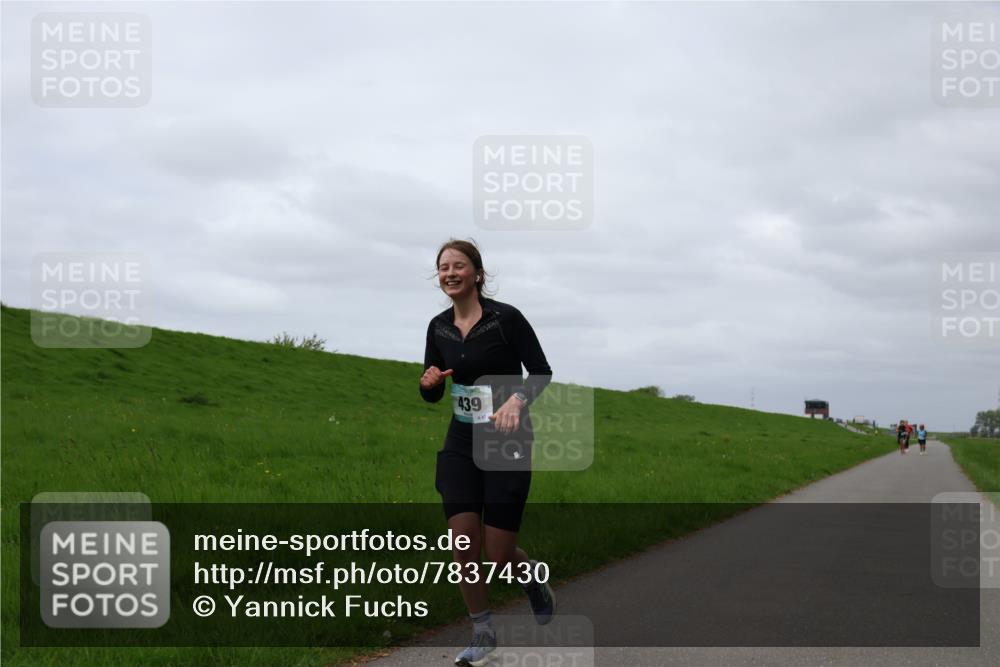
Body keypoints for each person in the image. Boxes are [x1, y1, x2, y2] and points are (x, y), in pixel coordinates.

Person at [419, 239, 555, 667]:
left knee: (497, 555)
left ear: (477, 273)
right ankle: (482, 632)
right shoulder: (437, 326)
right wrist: (429, 384)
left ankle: (531, 578)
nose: (450, 272)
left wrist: (517, 401)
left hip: (506, 441)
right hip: (461, 440)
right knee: (463, 544)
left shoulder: (506, 320)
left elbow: (541, 372)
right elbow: (435, 388)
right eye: (443, 267)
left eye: (459, 265)